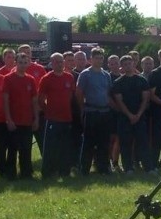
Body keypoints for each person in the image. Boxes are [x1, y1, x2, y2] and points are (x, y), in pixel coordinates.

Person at [75, 47, 115, 175]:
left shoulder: (106, 75)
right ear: (91, 59)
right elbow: (79, 93)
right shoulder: (85, 74)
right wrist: (82, 109)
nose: (99, 60)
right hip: (91, 111)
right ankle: (84, 169)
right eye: (96, 58)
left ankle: (102, 167)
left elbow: (108, 94)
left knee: (104, 142)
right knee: (88, 142)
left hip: (104, 112)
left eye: (101, 58)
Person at [111, 55, 152, 173]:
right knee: (125, 144)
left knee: (143, 142)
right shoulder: (118, 82)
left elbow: (146, 98)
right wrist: (129, 115)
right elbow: (119, 101)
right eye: (125, 64)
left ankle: (148, 168)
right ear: (122, 67)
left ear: (134, 64)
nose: (128, 66)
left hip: (140, 117)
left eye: (130, 63)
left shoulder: (141, 80)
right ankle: (128, 168)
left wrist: (138, 115)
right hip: (124, 117)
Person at [38, 52, 76, 177]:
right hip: (52, 118)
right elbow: (41, 98)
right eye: (56, 62)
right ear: (52, 63)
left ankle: (64, 171)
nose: (59, 64)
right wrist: (47, 110)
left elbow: (71, 95)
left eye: (61, 62)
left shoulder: (69, 77)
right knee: (50, 147)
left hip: (67, 117)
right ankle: (48, 172)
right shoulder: (46, 78)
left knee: (65, 146)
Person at [2, 53, 39, 179]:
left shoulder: (31, 80)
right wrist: (8, 119)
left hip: (27, 120)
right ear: (15, 63)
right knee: (12, 149)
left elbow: (34, 101)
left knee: (26, 149)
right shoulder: (8, 78)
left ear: (28, 63)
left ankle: (26, 173)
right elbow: (5, 100)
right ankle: (11, 174)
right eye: (20, 62)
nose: (23, 65)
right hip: (14, 120)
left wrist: (36, 118)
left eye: (25, 62)